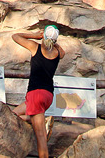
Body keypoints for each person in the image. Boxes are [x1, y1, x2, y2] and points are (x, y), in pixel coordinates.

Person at [12, 25, 65, 158]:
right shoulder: (57, 53)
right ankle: (41, 120)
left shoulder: (35, 47)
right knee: (11, 115)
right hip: (47, 96)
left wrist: (35, 35)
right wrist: (54, 42)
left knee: (41, 140)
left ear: (43, 36)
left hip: (36, 94)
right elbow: (63, 52)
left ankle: (40, 121)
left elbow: (15, 36)